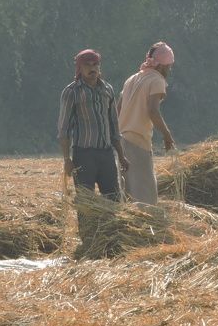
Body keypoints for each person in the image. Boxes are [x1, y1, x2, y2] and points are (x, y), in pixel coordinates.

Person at [57, 49, 128, 200]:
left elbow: (114, 125)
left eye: (95, 64)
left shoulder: (107, 89)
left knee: (114, 200)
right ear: (79, 68)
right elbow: (64, 129)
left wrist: (121, 156)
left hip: (106, 154)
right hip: (83, 155)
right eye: (87, 65)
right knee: (86, 203)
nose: (92, 68)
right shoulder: (72, 92)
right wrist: (67, 159)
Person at [117, 42, 176, 205]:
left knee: (128, 191)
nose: (169, 70)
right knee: (145, 194)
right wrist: (167, 135)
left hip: (121, 139)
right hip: (138, 141)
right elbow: (152, 111)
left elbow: (118, 109)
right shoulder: (157, 80)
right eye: (169, 66)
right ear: (163, 66)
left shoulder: (132, 79)